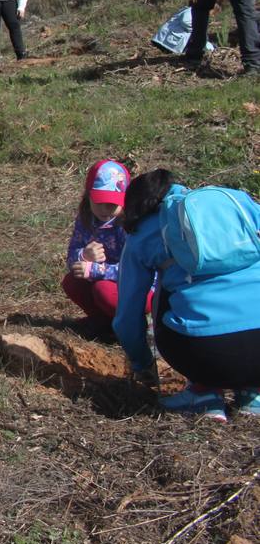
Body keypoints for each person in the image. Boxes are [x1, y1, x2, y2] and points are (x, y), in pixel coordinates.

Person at [113, 170, 260, 421]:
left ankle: (203, 392)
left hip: (204, 352)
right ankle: (252, 394)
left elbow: (128, 315)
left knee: (167, 291)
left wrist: (142, 364)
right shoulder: (236, 201)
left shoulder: (145, 232)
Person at [61, 160, 130, 339]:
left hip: (133, 286)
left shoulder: (128, 226)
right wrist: (83, 255)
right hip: (101, 279)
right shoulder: (86, 219)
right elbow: (72, 254)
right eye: (99, 202)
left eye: (112, 204)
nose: (105, 209)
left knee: (104, 291)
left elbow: (134, 270)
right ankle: (103, 322)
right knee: (72, 282)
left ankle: (129, 325)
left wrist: (95, 270)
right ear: (88, 196)